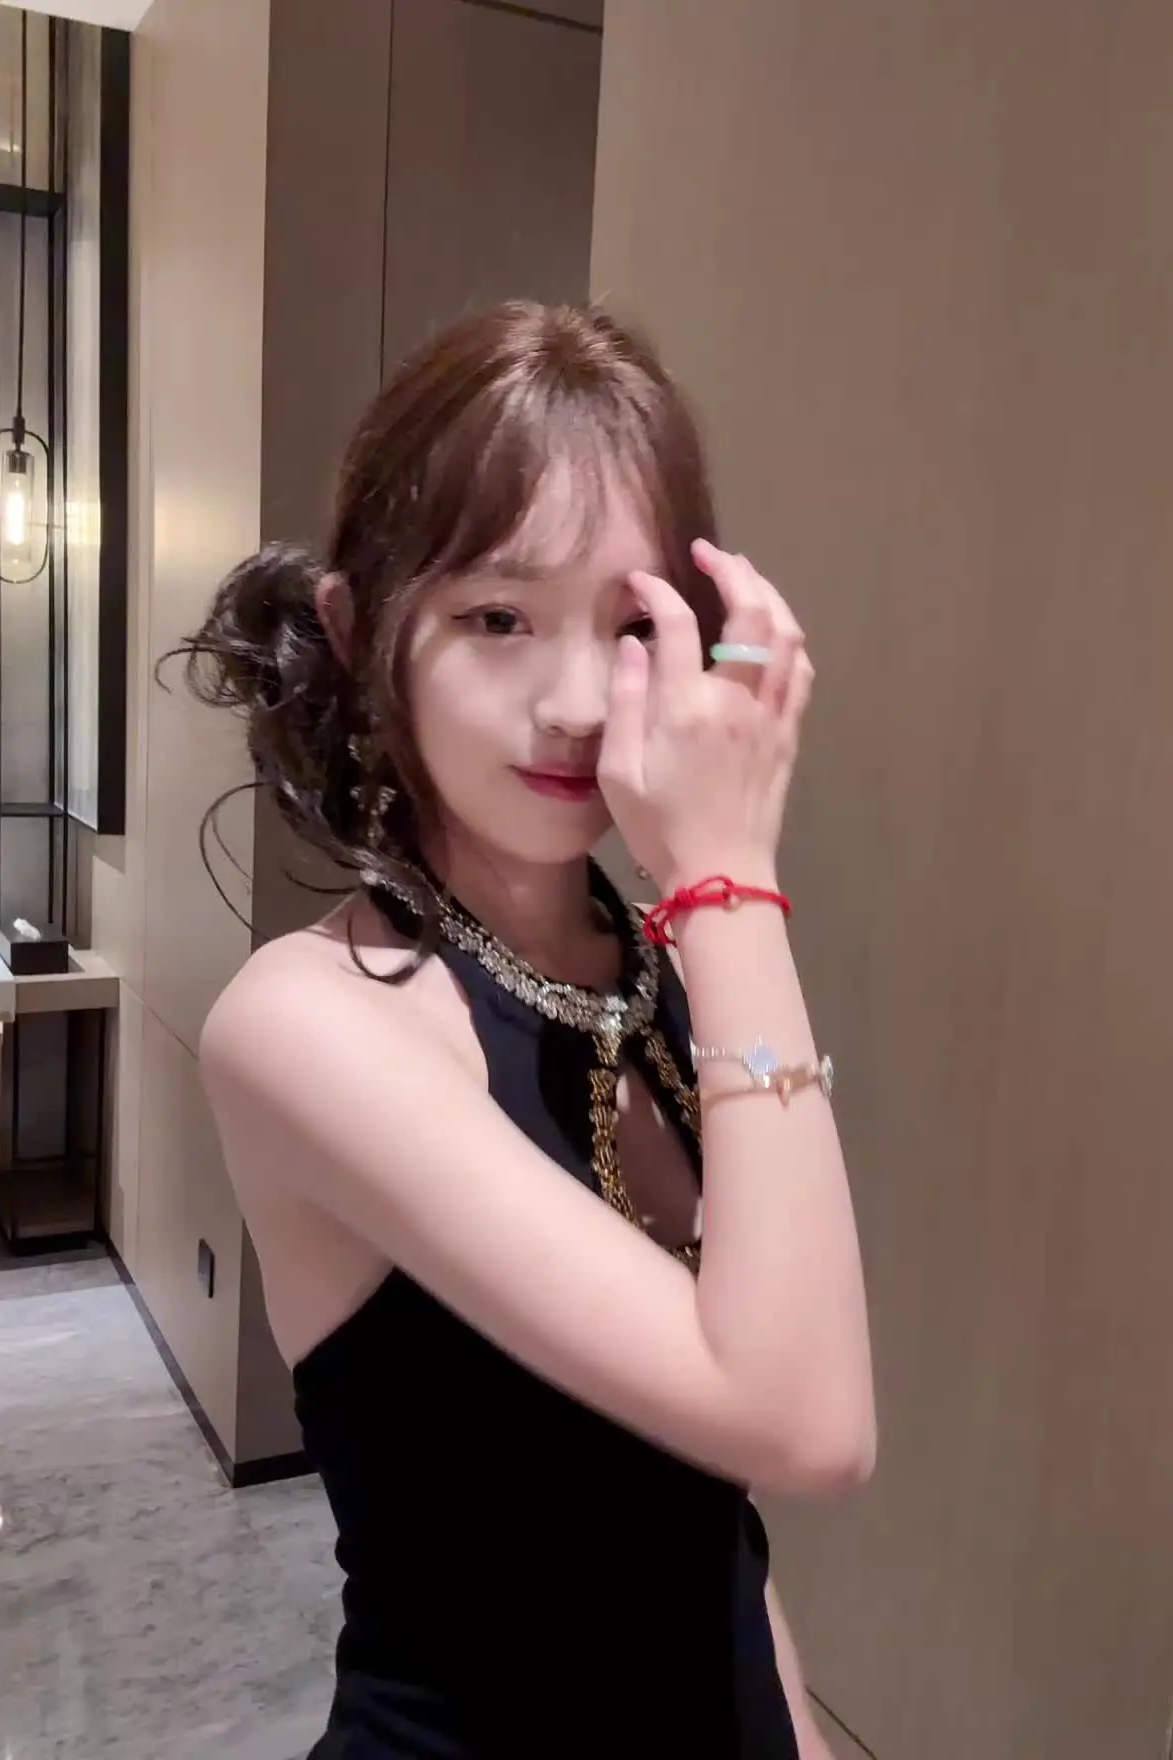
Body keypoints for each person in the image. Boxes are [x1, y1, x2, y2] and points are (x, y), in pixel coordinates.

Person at [185, 302, 875, 1759]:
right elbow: (811, 1423)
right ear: (361, 632)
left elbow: (719, 1512)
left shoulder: (659, 965)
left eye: (629, 625)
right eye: (498, 618)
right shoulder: (311, 1024)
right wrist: (730, 877)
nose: (573, 702)